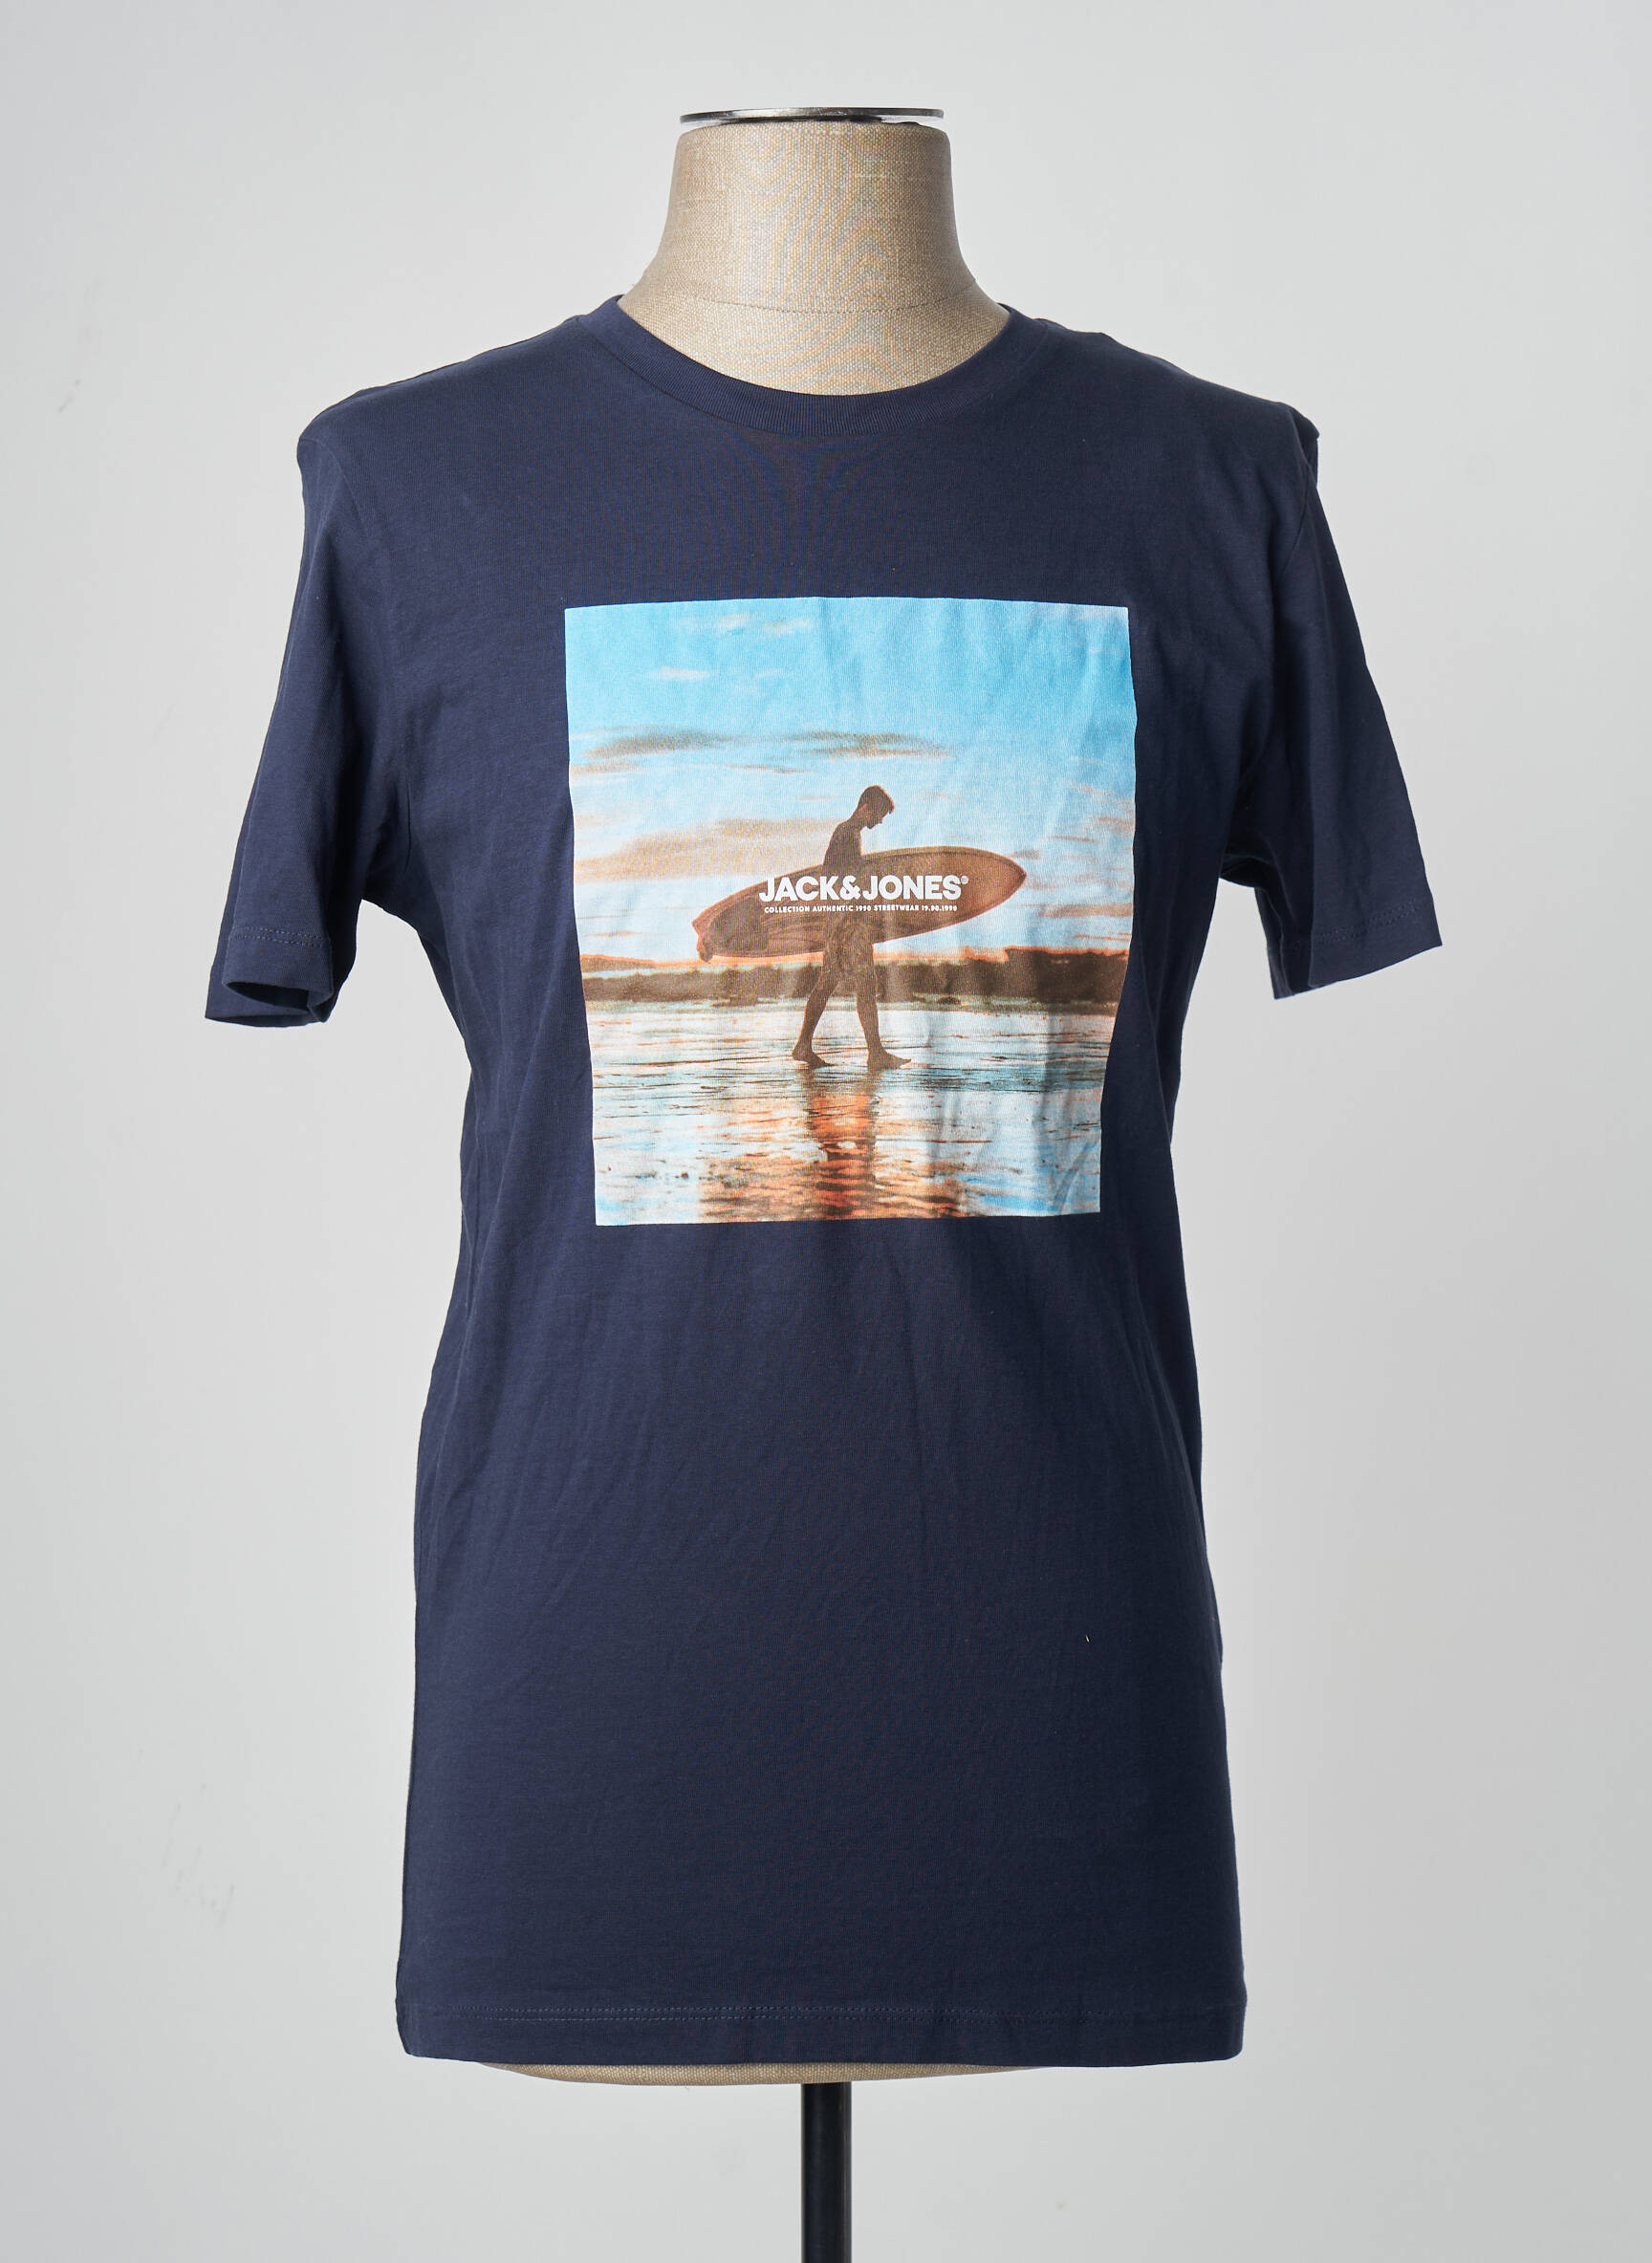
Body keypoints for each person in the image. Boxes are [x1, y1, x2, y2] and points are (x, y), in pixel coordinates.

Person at [792, 785, 907, 1070]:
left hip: (839, 921)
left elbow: (832, 878)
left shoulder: (847, 833)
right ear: (866, 808)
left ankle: (804, 1045)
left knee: (828, 982)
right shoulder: (847, 834)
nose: (880, 820)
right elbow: (833, 878)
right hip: (847, 923)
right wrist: (851, 917)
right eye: (879, 814)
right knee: (865, 983)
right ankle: (875, 1053)